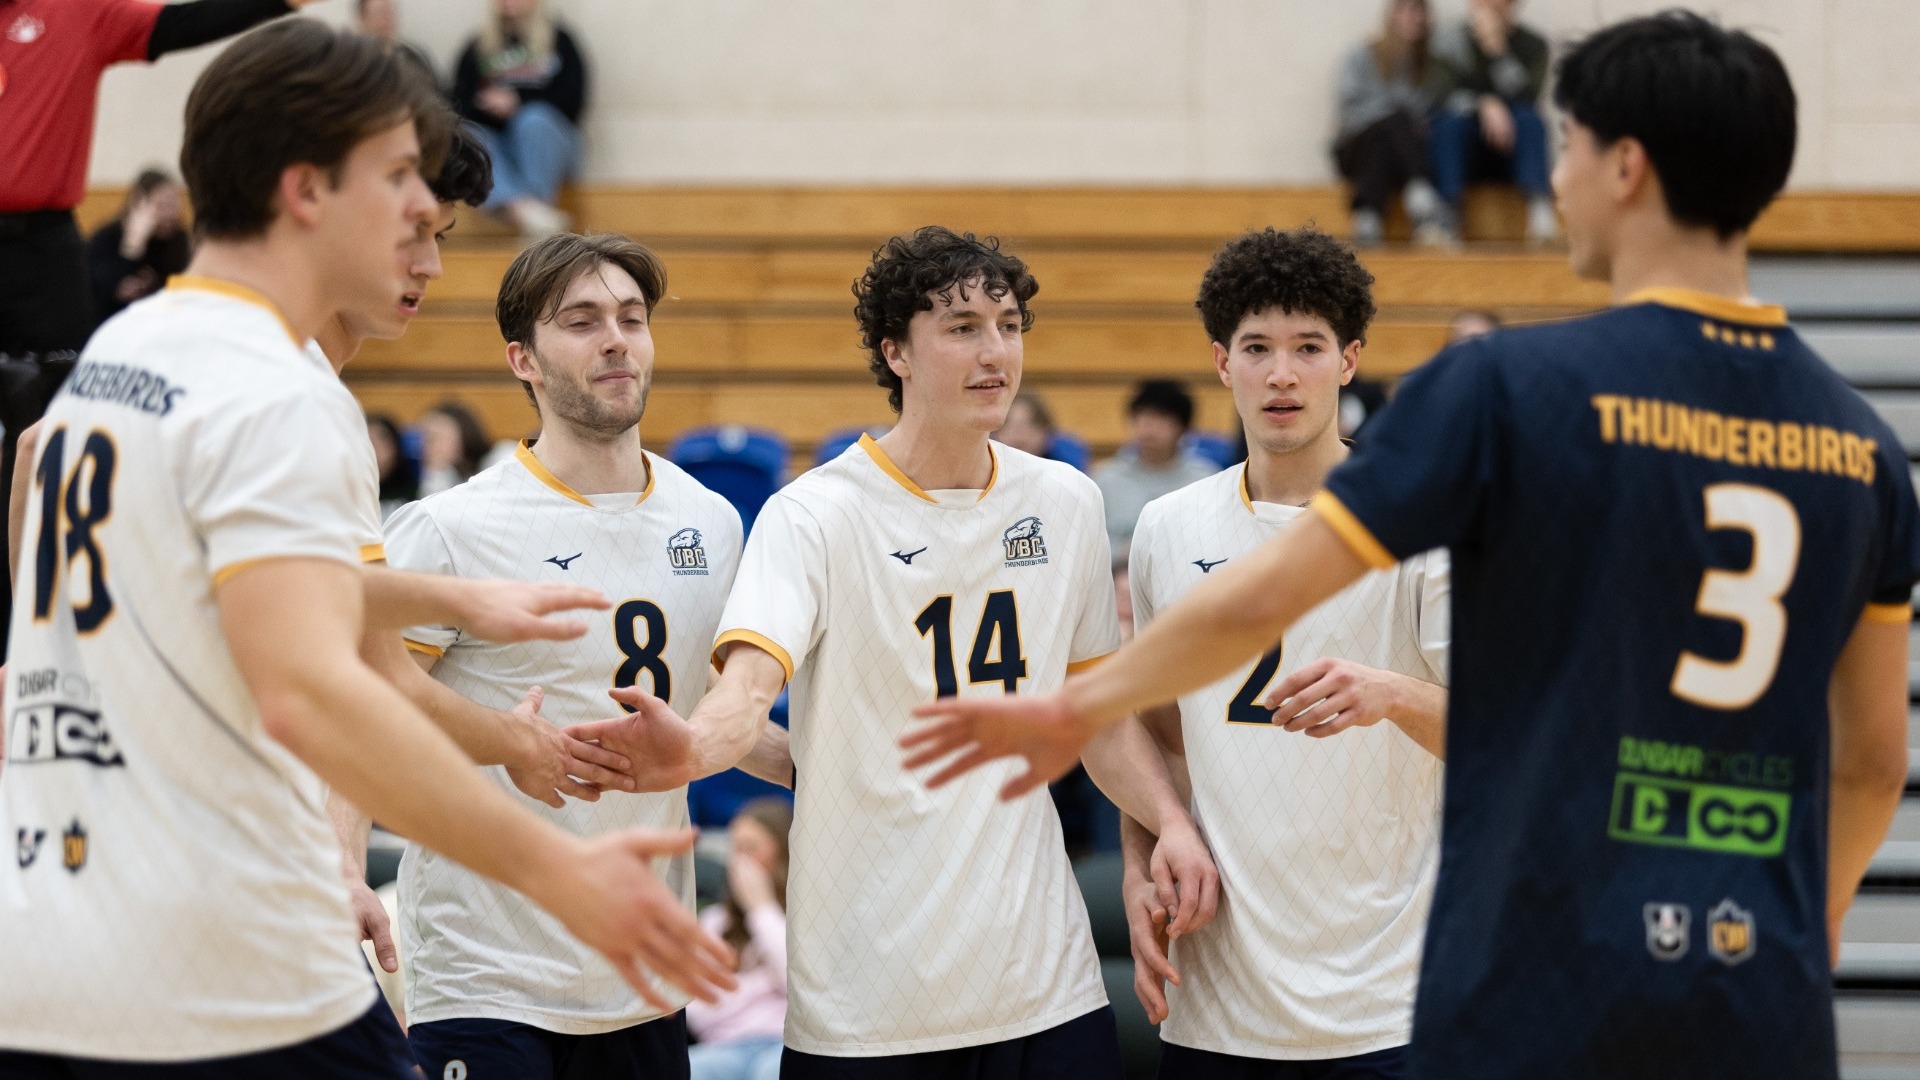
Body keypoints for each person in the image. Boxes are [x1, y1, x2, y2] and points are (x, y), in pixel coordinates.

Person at [905, 12, 1920, 1080]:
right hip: (1763, 991)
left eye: (1565, 145)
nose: (1556, 175)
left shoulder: (1513, 392)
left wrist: (1069, 708)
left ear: (1626, 167)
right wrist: (1825, 920)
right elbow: (1870, 762)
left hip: (1559, 982)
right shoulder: (1860, 445)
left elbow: (1265, 598)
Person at [0, 21, 733, 1074]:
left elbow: (100, 512)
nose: (415, 221)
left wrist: (451, 603)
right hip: (217, 960)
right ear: (309, 190)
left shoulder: (123, 347)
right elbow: (320, 695)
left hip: (58, 933)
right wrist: (555, 865)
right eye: (394, 178)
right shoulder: (280, 391)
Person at [579, 226, 1159, 1079]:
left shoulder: (1066, 503)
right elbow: (747, 689)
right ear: (896, 352)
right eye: (961, 327)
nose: (995, 350)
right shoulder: (813, 515)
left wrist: (1169, 825)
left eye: (1008, 325)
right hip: (867, 1003)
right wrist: (695, 749)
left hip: (1043, 984)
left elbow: (1098, 723)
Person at [383, 231, 745, 1079]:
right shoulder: (453, 526)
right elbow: (364, 693)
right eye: (582, 321)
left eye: (631, 317)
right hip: (486, 975)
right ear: (525, 360)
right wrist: (340, 868)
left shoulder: (712, 522)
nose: (616, 338)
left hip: (640, 977)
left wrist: (823, 764)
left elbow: (707, 725)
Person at [1114, 227, 1448, 1079]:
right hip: (1217, 1001)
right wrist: (1140, 859)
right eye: (1257, 348)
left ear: (1349, 360)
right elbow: (1151, 734)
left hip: (1389, 999)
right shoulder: (1168, 528)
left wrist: (1394, 694)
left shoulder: (1422, 523)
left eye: (1309, 348)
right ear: (1222, 363)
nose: (1282, 374)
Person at [0, 0, 311, 661]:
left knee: (57, 431)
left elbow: (175, 26)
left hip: (45, 246)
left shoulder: (74, 14)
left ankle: (45, 621)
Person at [453, 0, 587, 237]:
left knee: (533, 120)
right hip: (500, 150)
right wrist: (490, 107)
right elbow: (458, 103)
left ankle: (528, 206)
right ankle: (528, 212)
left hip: (548, 143)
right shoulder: (478, 47)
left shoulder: (560, 41)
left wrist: (518, 103)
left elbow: (573, 102)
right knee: (470, 135)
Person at [1427, 0, 1555, 247]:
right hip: (1467, 153)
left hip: (1512, 153)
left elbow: (1527, 96)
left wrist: (1497, 51)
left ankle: (1540, 217)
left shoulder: (1534, 45)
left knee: (1529, 119)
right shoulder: (1450, 41)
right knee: (1448, 123)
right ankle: (1447, 217)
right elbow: (1440, 95)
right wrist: (1483, 104)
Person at [687, 798, 793, 1080]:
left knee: (770, 1072)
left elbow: (796, 985)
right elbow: (697, 1007)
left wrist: (762, 908)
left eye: (750, 849)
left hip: (781, 1045)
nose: (739, 861)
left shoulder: (798, 922)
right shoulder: (714, 921)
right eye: (735, 848)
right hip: (722, 1047)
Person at [1334, 0, 1444, 248]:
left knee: (1385, 144)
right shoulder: (1362, 56)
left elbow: (1434, 115)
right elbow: (1348, 112)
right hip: (1355, 147)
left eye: (1419, 11)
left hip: (1396, 155)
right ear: (1391, 15)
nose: (1412, 17)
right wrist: (1390, 115)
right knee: (1396, 121)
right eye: (1405, 10)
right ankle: (1422, 200)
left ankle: (1368, 219)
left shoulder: (1430, 67)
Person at [1094, 379, 1220, 564]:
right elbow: (1089, 542)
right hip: (1120, 577)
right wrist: (1121, 551)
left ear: (1183, 427)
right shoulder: (1105, 479)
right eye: (1141, 417)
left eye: (1161, 419)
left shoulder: (1206, 479)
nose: (1148, 428)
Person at [86, 169, 190, 326]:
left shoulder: (179, 239)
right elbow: (104, 291)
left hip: (162, 324)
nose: (170, 214)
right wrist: (134, 244)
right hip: (112, 325)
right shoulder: (107, 237)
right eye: (162, 206)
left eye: (174, 205)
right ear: (139, 204)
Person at [418, 399, 492, 496]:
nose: (426, 447)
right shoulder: (436, 474)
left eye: (435, 437)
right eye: (423, 439)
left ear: (465, 437)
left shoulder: (500, 456)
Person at [366, 413, 421, 517]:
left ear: (396, 447)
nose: (373, 450)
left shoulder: (419, 489)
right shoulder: (351, 494)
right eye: (368, 443)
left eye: (379, 442)